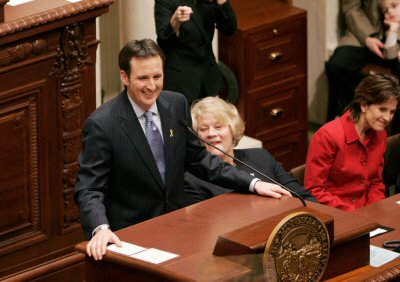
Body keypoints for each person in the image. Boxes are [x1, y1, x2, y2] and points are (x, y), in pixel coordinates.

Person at [74, 38, 292, 261]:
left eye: (157, 77)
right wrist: (100, 228)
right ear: (124, 77)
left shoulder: (176, 104)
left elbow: (200, 160)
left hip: (177, 228)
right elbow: (89, 188)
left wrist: (253, 183)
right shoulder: (102, 124)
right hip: (132, 235)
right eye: (143, 78)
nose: (151, 86)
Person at [184, 96, 317, 205]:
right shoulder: (192, 180)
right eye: (203, 129)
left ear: (233, 130)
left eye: (218, 127)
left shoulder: (260, 156)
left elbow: (302, 196)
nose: (211, 133)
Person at [305, 73, 400, 211]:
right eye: (382, 109)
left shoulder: (381, 135)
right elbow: (315, 190)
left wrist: (373, 211)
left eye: (392, 112)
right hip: (335, 213)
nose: (387, 118)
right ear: (363, 105)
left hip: (368, 212)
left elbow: (376, 182)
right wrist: (355, 215)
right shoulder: (327, 136)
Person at [325, 0, 400, 135]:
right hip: (363, 35)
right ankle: (355, 117)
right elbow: (352, 8)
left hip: (395, 39)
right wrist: (368, 37)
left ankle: (394, 134)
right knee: (337, 65)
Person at [154, 0, 237, 104]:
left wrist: (222, 2)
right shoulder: (166, 1)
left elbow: (230, 29)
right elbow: (163, 42)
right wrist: (175, 22)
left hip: (208, 78)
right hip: (182, 82)